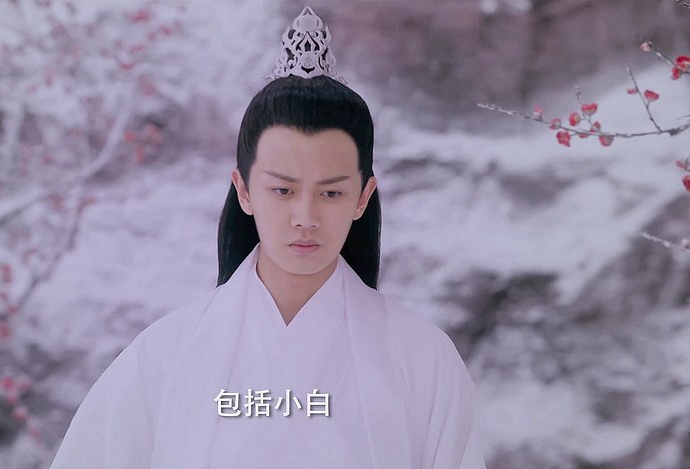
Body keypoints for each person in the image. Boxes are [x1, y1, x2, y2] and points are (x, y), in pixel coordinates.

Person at [50, 6, 487, 468]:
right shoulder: (163, 356)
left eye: (331, 192)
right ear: (244, 191)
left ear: (363, 197)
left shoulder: (422, 359)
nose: (305, 217)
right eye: (282, 190)